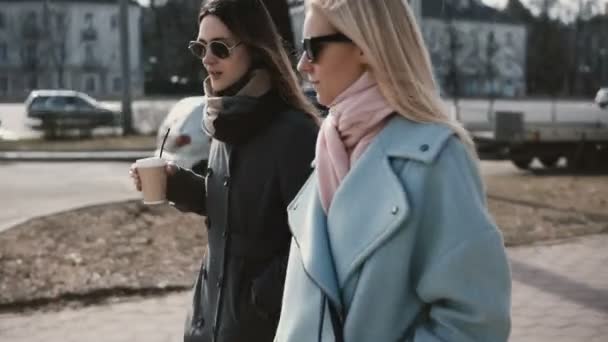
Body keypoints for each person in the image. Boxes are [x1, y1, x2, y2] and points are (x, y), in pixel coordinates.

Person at [274, 0, 512, 341]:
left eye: (313, 48)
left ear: (363, 46)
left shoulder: (437, 157)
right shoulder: (329, 147)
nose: (302, 65)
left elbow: (475, 320)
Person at [130, 0, 319, 341]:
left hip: (261, 329)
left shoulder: (296, 133)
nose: (207, 58)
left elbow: (314, 242)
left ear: (256, 49)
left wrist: (261, 298)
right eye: (200, 47)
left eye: (220, 47)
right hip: (207, 322)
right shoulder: (224, 120)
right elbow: (239, 206)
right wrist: (179, 185)